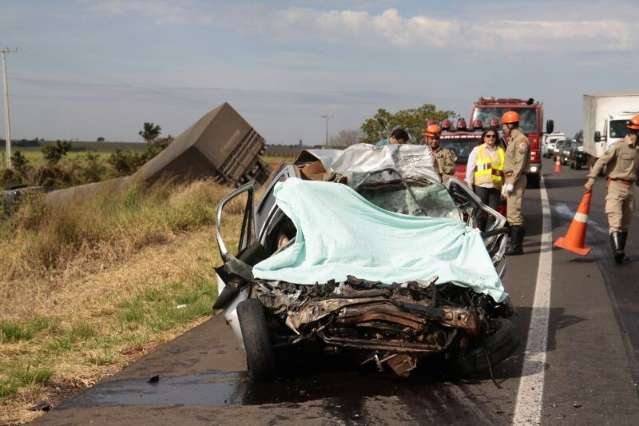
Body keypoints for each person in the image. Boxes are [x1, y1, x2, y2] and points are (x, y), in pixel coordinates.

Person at [585, 114, 639, 263]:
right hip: (615, 186)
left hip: (630, 188)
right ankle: (618, 252)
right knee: (615, 220)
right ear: (634, 132)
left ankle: (621, 252)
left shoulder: (638, 149)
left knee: (625, 223)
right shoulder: (618, 146)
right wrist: (591, 179)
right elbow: (601, 161)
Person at [501, 111, 530, 255]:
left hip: (516, 180)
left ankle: (516, 247)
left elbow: (519, 163)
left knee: (514, 213)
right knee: (511, 213)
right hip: (511, 179)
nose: (503, 128)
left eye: (504, 125)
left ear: (510, 125)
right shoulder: (513, 139)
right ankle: (514, 244)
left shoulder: (520, 140)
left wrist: (511, 181)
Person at [465, 129, 505, 230]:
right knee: (479, 213)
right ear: (484, 138)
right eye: (488, 136)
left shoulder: (501, 151)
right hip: (480, 186)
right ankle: (478, 234)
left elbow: (504, 170)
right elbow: (470, 168)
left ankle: (489, 238)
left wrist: (504, 188)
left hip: (495, 186)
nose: (491, 138)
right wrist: (470, 185)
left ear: (496, 138)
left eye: (493, 136)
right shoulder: (477, 150)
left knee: (493, 214)